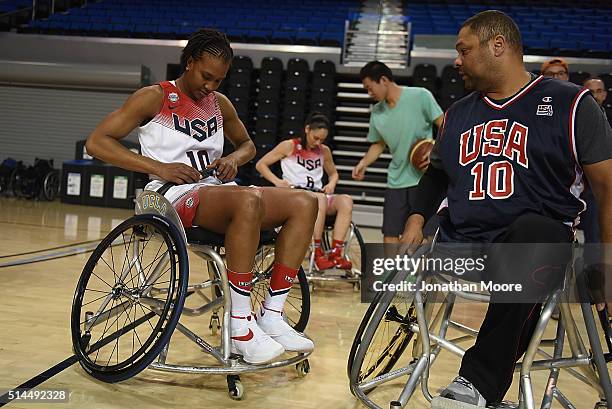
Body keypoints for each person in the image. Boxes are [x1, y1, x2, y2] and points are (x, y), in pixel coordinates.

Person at [402, 11, 612, 407]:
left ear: (497, 46)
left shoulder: (572, 104)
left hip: (534, 249)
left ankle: (476, 382)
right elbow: (435, 177)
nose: (457, 60)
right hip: (462, 249)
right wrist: (416, 218)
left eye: (464, 50)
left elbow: (608, 186)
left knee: (537, 237)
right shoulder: (456, 115)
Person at [85, 29, 316, 365]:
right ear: (189, 62)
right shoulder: (154, 97)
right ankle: (240, 326)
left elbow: (248, 146)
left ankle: (272, 316)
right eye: (206, 76)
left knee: (305, 202)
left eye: (219, 80)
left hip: (217, 192)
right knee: (249, 200)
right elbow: (97, 142)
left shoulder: (220, 104)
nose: (211, 86)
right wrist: (159, 167)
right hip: (170, 194)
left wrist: (233, 160)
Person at [352, 61, 444, 243]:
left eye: (370, 88)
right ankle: (392, 272)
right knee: (390, 234)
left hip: (423, 179)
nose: (369, 93)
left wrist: (436, 152)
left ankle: (420, 272)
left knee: (424, 234)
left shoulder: (420, 96)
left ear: (384, 80)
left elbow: (444, 126)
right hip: (396, 180)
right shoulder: (377, 112)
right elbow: (379, 144)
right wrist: (363, 163)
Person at [256, 113, 354, 271]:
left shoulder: (324, 151)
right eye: (316, 138)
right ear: (307, 129)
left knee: (346, 200)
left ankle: (336, 253)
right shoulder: (289, 145)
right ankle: (317, 252)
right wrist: (277, 182)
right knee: (319, 199)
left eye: (322, 139)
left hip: (317, 193)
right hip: (296, 196)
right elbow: (261, 164)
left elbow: (334, 173)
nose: (318, 142)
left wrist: (331, 183)